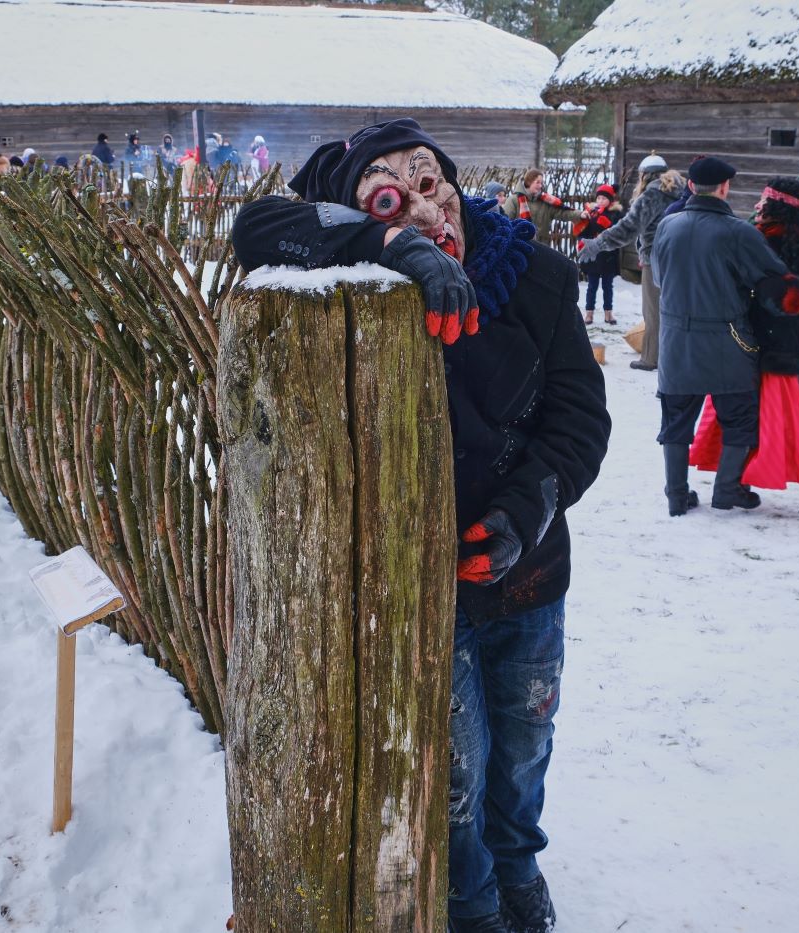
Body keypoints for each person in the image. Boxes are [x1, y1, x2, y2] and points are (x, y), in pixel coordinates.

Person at [231, 117, 610, 933]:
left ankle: (520, 870)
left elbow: (580, 420)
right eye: (396, 199)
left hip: (529, 572)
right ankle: (472, 905)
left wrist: (527, 509)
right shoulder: (370, 284)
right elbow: (255, 227)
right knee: (456, 774)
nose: (432, 211)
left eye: (429, 181)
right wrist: (391, 246)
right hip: (423, 587)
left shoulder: (536, 273)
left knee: (522, 750)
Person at [650, 155, 799, 515]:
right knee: (738, 420)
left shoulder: (667, 226)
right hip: (728, 341)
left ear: (691, 186)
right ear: (725, 188)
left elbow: (660, 279)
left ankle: (676, 497)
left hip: (676, 342)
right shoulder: (739, 232)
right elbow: (776, 282)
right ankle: (725, 493)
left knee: (675, 422)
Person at [689, 175, 799, 514]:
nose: (759, 205)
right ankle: (738, 483)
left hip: (777, 346)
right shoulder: (748, 234)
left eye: (766, 201)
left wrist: (778, 293)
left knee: (781, 420)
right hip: (742, 339)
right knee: (739, 415)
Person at [583, 152, 685, 371]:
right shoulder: (678, 191)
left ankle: (651, 358)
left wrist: (598, 243)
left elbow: (629, 228)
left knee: (653, 310)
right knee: (674, 308)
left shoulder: (652, 193)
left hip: (656, 258)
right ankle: (674, 355)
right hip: (680, 258)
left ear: (645, 175)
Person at [574, 183, 623, 324]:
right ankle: (589, 314)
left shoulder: (616, 214)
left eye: (604, 198)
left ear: (610, 200)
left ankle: (609, 313)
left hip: (608, 255)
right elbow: (584, 230)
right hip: (593, 256)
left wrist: (604, 222)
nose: (600, 201)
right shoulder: (592, 213)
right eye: (599, 198)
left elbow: (616, 230)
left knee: (608, 286)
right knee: (592, 286)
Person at [501, 169, 584, 248]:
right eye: (537, 182)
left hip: (542, 246)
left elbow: (562, 213)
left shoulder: (545, 201)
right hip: (520, 245)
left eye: (541, 183)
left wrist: (580, 214)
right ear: (529, 182)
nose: (540, 186)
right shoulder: (513, 200)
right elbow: (505, 221)